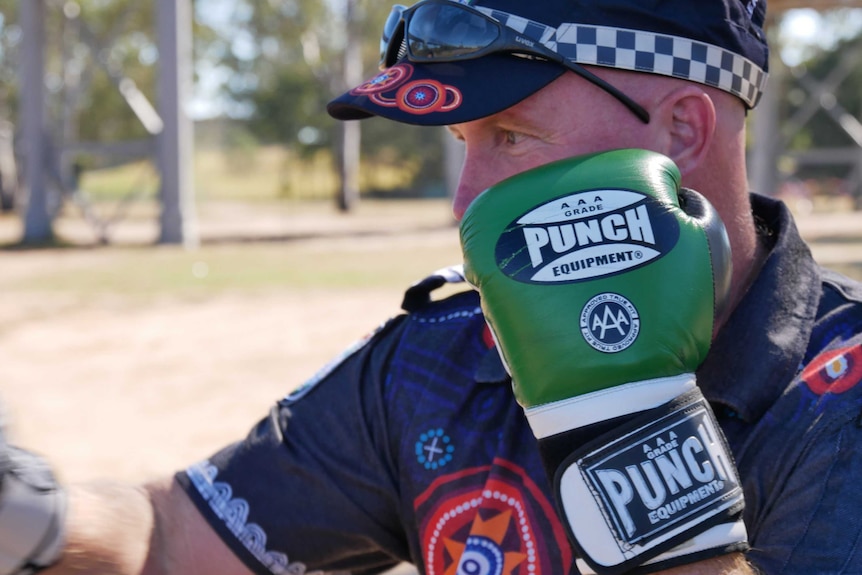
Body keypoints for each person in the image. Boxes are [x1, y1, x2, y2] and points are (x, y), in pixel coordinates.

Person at [3, 0, 862, 573]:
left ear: (681, 128)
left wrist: (626, 422)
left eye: (511, 136)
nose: (465, 202)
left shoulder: (844, 394)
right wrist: (36, 516)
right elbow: (174, 538)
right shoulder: (443, 363)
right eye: (462, 145)